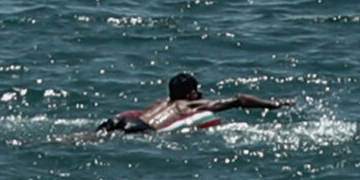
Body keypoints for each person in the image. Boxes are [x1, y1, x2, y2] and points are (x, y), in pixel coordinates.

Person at [95, 72, 292, 135]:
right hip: (141, 128)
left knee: (92, 137)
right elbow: (239, 99)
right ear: (190, 94)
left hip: (123, 120)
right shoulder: (189, 106)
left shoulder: (161, 103)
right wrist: (273, 104)